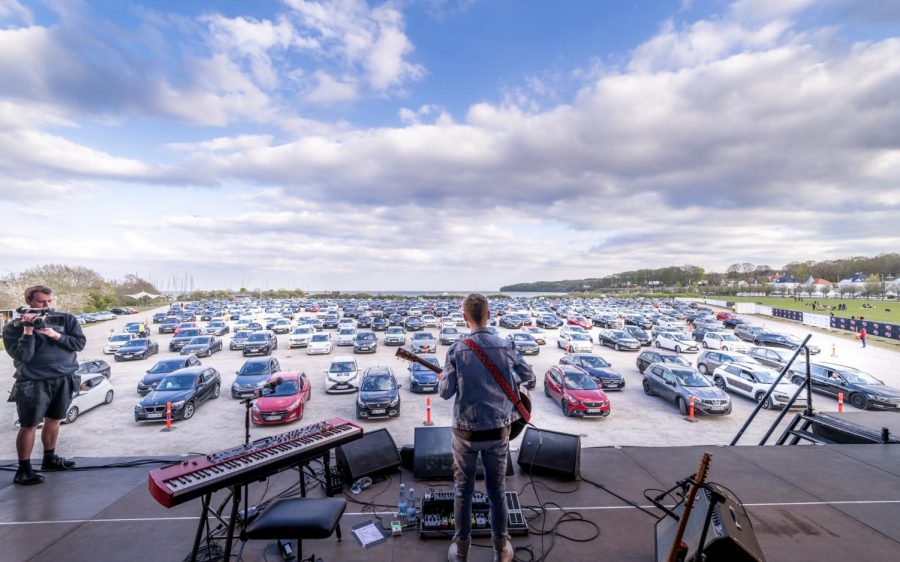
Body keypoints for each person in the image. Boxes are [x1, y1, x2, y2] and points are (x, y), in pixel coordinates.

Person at [439, 294, 535, 562]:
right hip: (498, 432)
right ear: (488, 314)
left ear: (465, 317)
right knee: (497, 492)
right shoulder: (507, 345)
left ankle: (461, 551)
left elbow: (445, 393)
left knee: (463, 491)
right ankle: (501, 550)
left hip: (465, 434)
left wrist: (445, 378)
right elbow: (529, 376)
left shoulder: (456, 350)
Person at [3, 285, 86, 485]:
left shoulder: (65, 319)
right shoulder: (13, 327)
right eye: (41, 302)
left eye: (49, 301)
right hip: (33, 381)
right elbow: (24, 356)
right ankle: (24, 470)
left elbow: (79, 344)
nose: (47, 306)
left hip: (64, 377)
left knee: (55, 419)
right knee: (29, 425)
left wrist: (55, 335)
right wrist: (29, 331)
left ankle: (50, 458)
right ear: (29, 301)